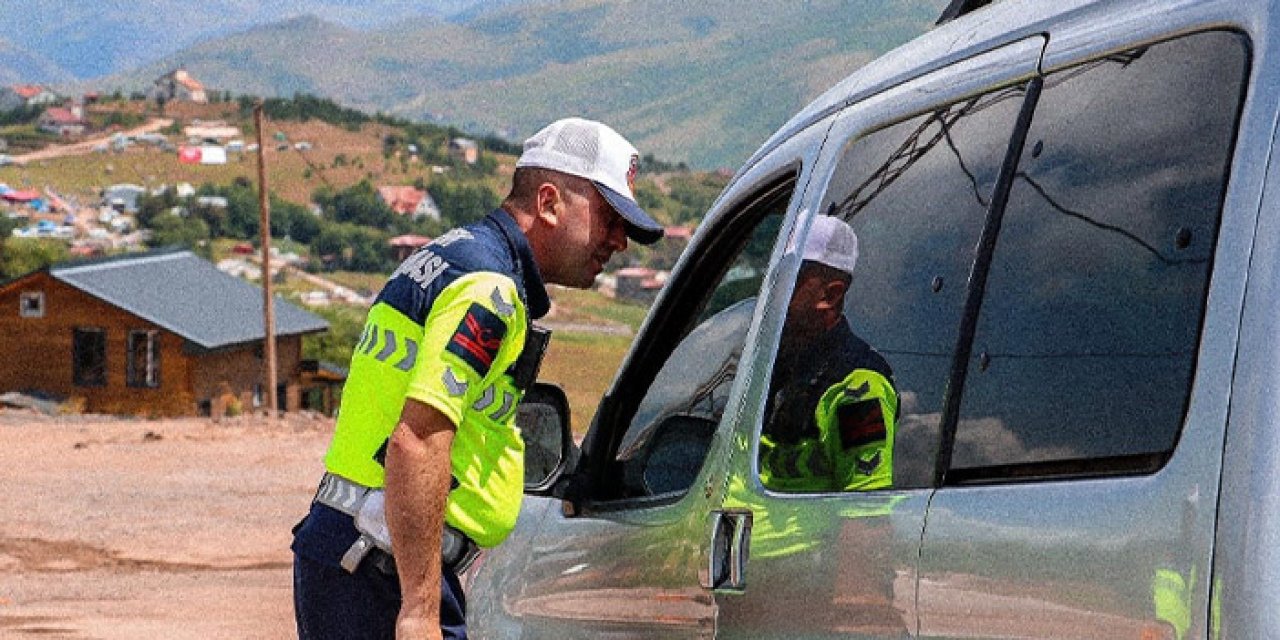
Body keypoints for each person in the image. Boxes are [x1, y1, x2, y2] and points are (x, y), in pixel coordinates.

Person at [291, 117, 663, 640]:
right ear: (549, 202)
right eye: (608, 217)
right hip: (382, 570)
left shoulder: (449, 258)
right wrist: (419, 611)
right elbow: (418, 440)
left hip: (363, 558)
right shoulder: (489, 291)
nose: (619, 241)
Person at [759, 215, 898, 493]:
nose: (772, 293)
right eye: (773, 278)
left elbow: (864, 511)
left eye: (788, 280)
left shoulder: (859, 386)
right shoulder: (772, 363)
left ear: (830, 295)